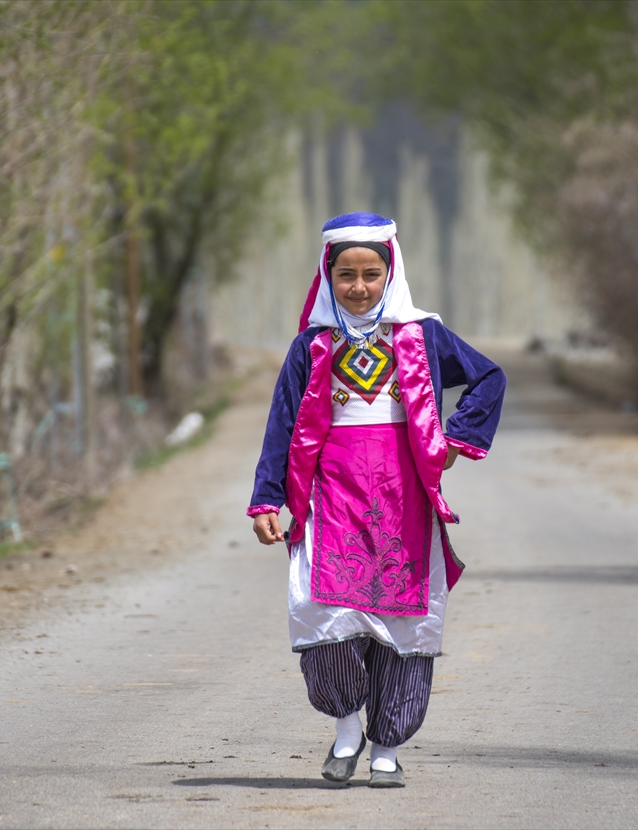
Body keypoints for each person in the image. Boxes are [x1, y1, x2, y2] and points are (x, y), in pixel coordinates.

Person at [248, 212, 506, 787]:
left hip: (403, 499)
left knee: (404, 621)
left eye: (371, 273)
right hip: (329, 498)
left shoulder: (422, 336)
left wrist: (457, 439)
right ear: (328, 275)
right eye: (346, 275)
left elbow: (489, 378)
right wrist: (268, 499)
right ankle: (346, 732)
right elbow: (282, 425)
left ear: (391, 273)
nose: (359, 287)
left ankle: (387, 747)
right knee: (327, 616)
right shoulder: (311, 347)